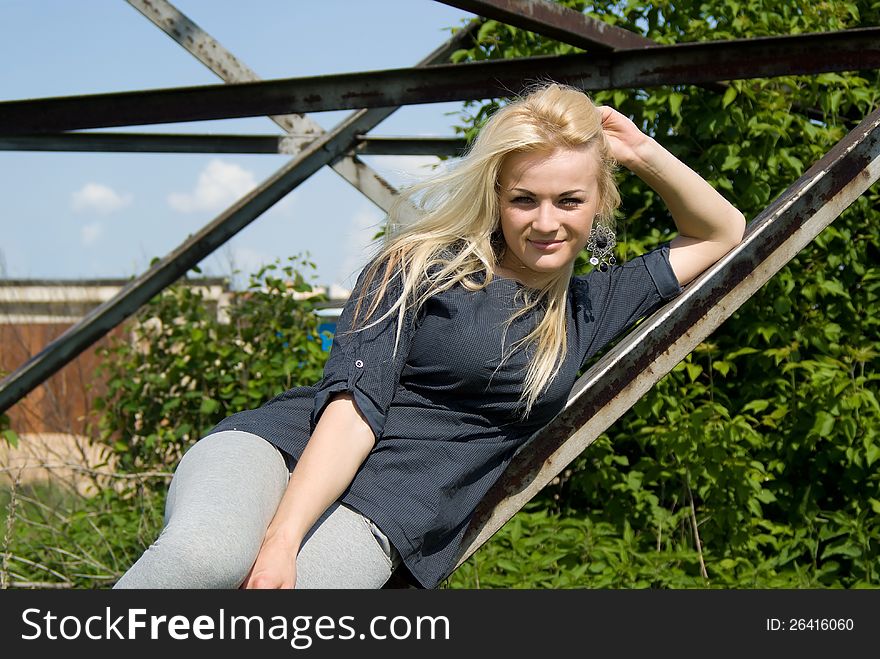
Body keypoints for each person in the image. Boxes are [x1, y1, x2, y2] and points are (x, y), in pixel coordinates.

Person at [114, 83, 745, 590]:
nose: (547, 222)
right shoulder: (421, 266)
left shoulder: (591, 304)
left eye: (570, 200)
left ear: (598, 200)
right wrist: (281, 538)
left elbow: (722, 231)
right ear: (496, 197)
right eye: (525, 199)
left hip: (390, 509)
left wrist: (639, 153)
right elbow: (352, 408)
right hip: (282, 452)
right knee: (202, 562)